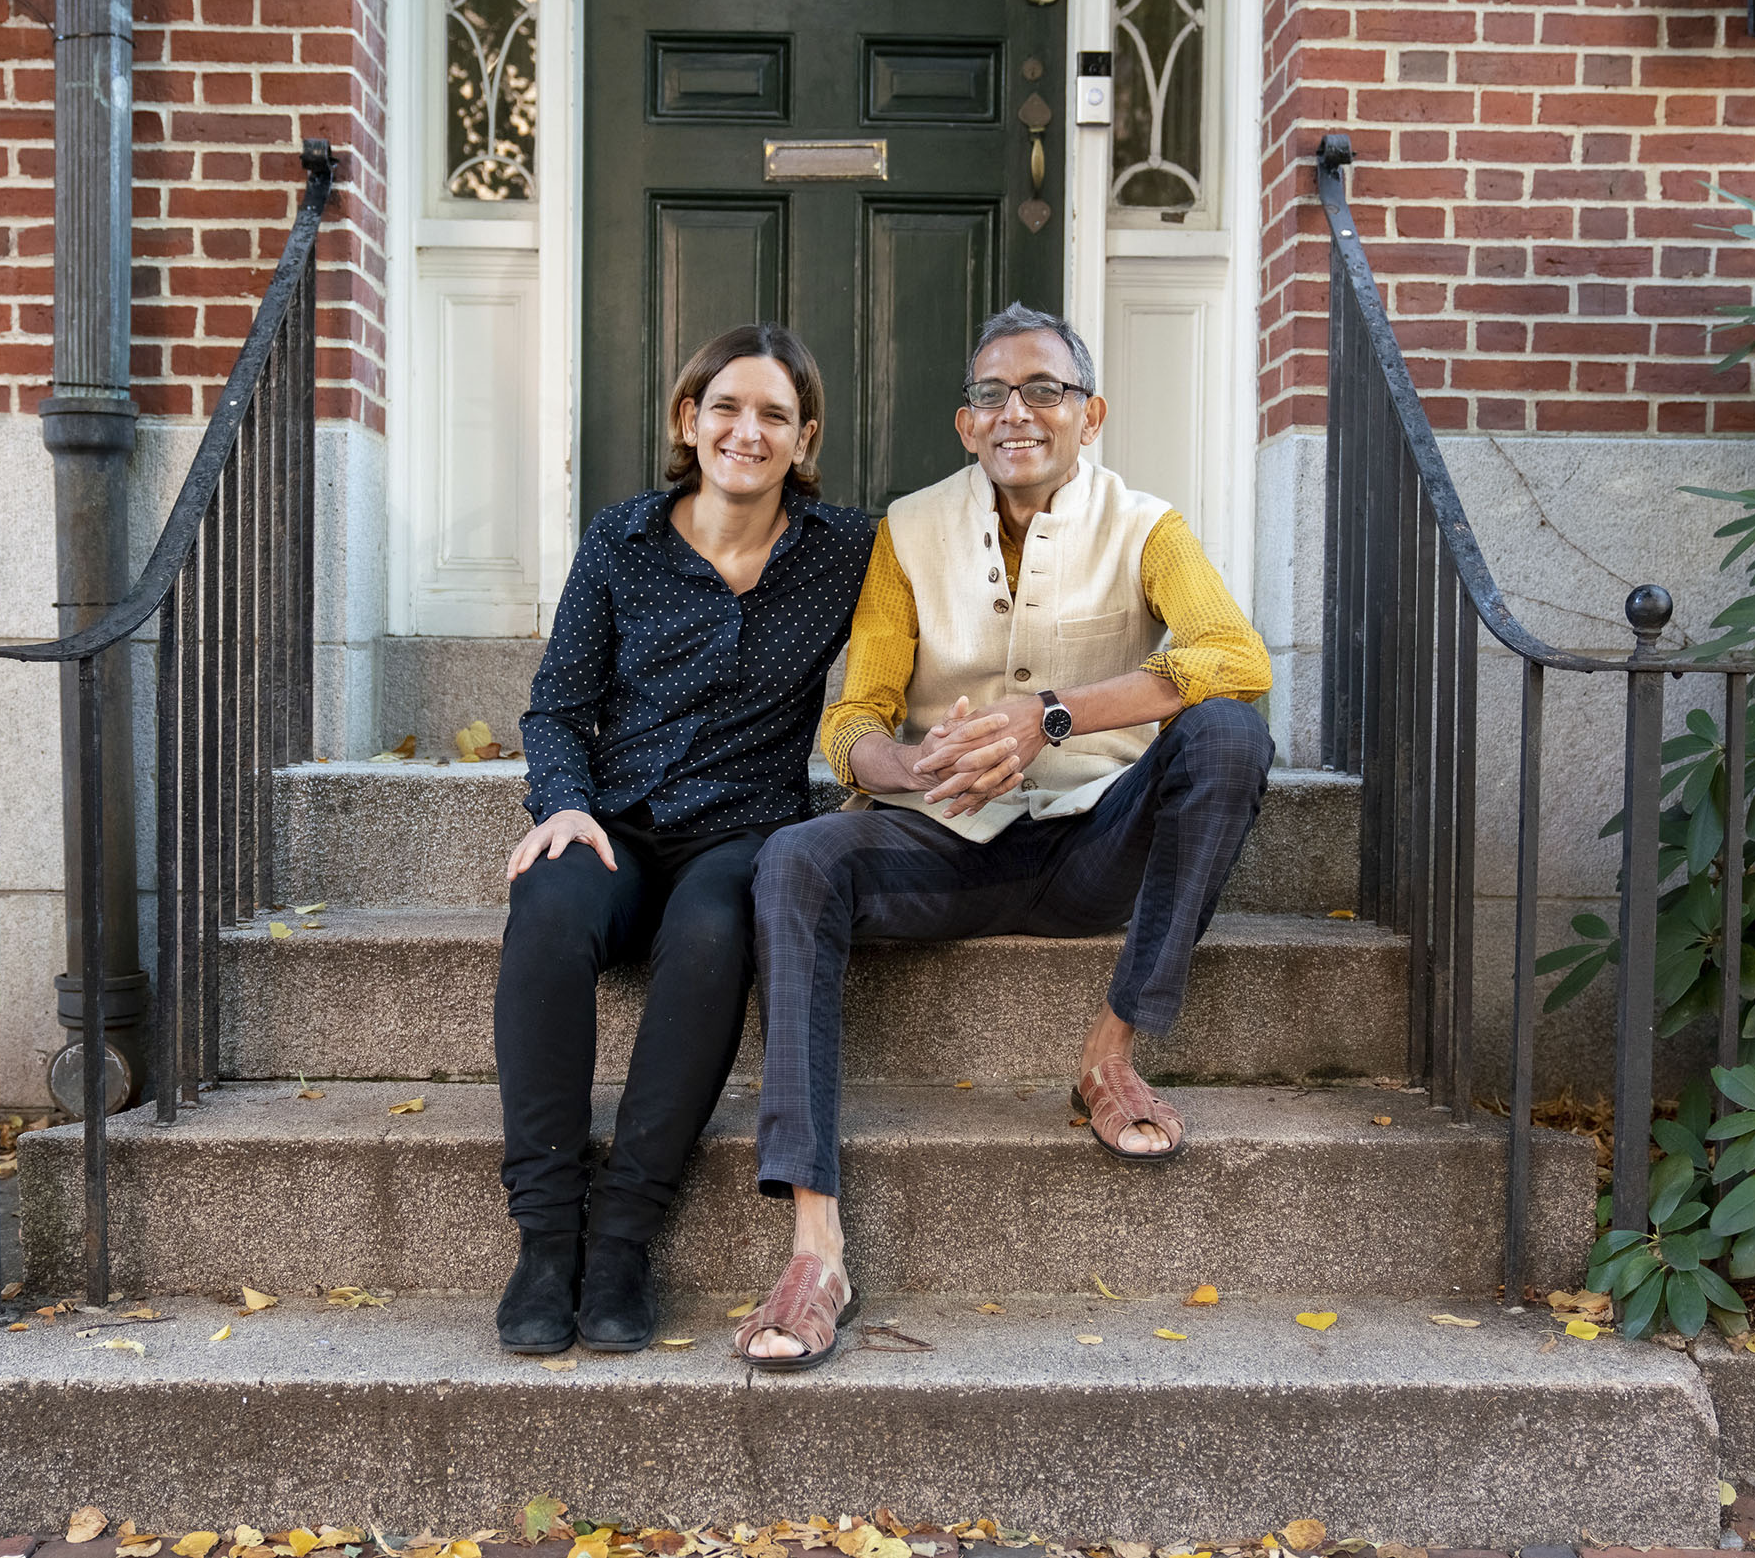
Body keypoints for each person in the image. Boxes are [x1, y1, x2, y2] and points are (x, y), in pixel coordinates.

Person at [731, 302, 1274, 1370]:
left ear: (1091, 415)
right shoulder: (908, 531)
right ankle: (814, 1243)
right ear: (966, 422)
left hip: (1094, 844)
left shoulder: (1148, 527)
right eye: (992, 393)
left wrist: (1052, 716)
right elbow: (855, 716)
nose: (1016, 411)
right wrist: (908, 766)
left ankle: (1110, 1053)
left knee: (1230, 734)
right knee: (793, 856)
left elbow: (1236, 656)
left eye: (1045, 390)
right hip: (941, 847)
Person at [495, 323, 873, 1355]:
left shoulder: (848, 549)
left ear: (805, 438)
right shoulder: (622, 538)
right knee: (547, 902)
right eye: (727, 407)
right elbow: (557, 706)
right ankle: (546, 1239)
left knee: (713, 933)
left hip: (742, 829)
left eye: (775, 415)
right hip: (614, 817)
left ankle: (622, 1236)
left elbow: (947, 579)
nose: (748, 431)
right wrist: (562, 802)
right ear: (688, 420)